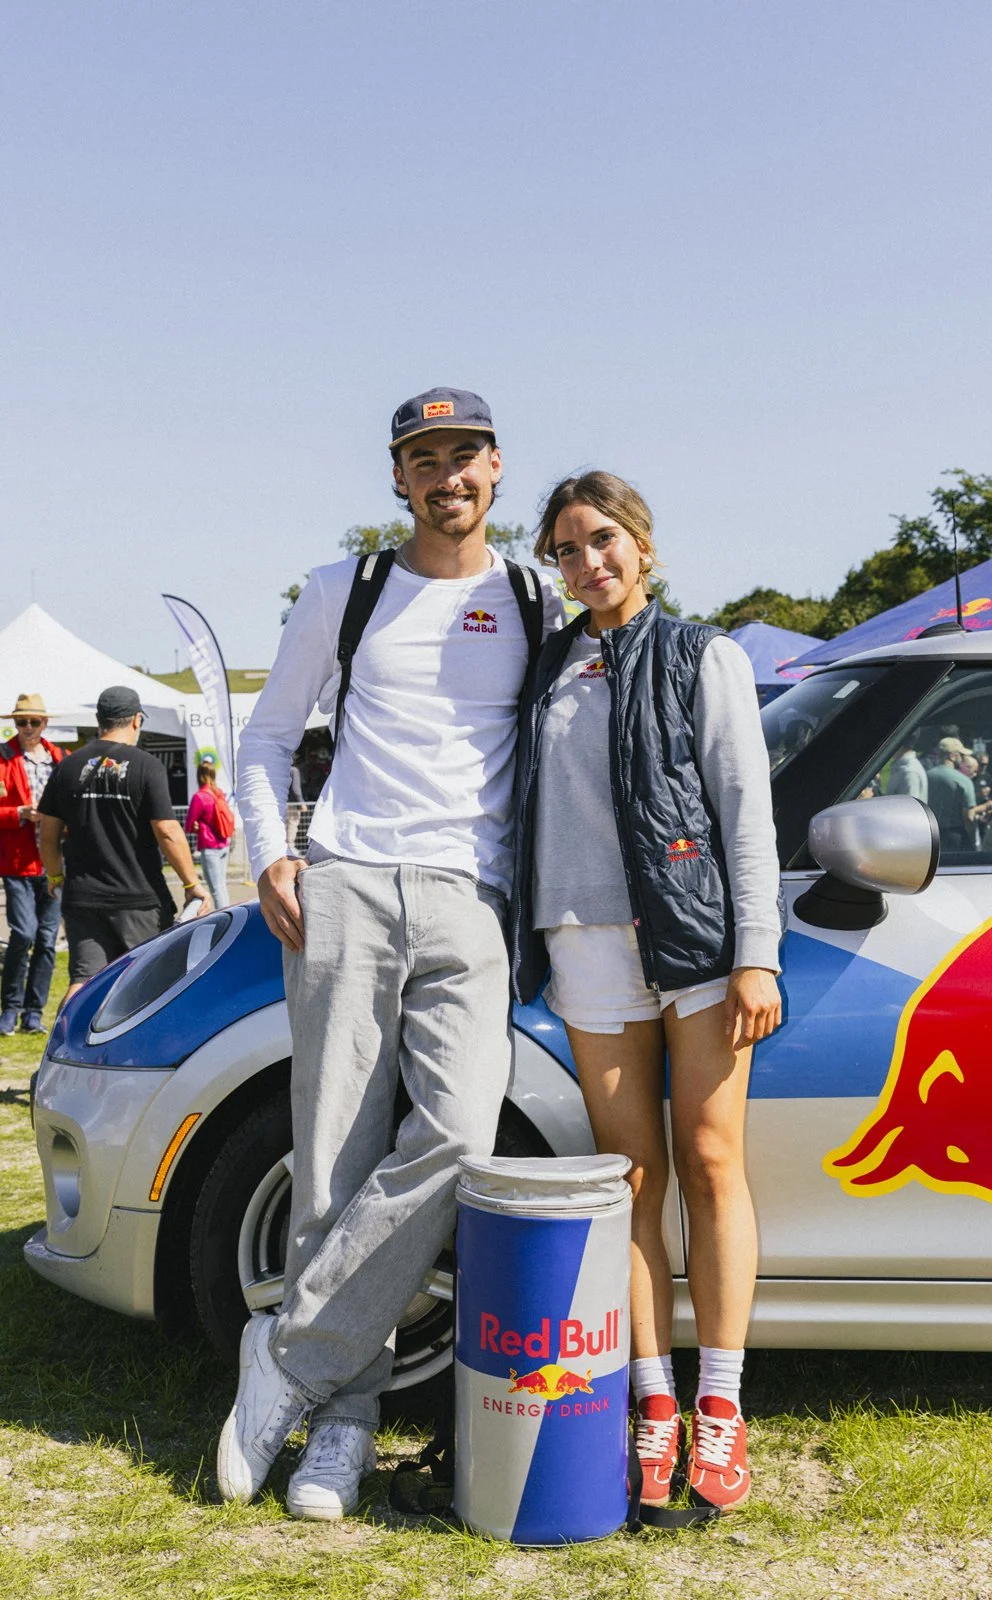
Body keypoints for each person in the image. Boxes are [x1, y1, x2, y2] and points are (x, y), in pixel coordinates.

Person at [219, 388, 563, 1520]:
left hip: (472, 898)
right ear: (398, 477)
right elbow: (266, 736)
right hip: (348, 887)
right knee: (330, 1155)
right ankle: (343, 1430)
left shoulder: (533, 596)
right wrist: (274, 855)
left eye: (464, 455)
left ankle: (288, 1352)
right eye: (424, 458)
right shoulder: (344, 591)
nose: (445, 476)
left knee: (458, 1136)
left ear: (497, 469)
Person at [510, 472, 783, 1514]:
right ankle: (652, 1399)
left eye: (604, 539)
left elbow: (743, 812)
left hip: (698, 942)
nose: (589, 562)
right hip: (583, 943)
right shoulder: (546, 671)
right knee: (628, 1177)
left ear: (644, 547)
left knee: (711, 1162)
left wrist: (754, 951)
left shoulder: (701, 654)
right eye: (568, 549)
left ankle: (721, 1400)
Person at [37, 687, 211, 1005]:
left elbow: (47, 834)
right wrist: (191, 883)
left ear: (99, 721)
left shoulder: (68, 766)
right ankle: (145, 1054)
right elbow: (168, 831)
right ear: (136, 720)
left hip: (83, 896)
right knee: (149, 986)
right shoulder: (147, 766)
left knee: (82, 983)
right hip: (140, 900)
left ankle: (63, 1048)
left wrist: (55, 877)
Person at [0, 694, 65, 1034]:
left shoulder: (60, 758)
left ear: (45, 723)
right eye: (21, 721)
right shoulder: (2, 756)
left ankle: (33, 1013)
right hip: (16, 863)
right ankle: (9, 1007)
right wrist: (18, 814)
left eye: (33, 722)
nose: (27, 728)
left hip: (53, 862)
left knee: (46, 938)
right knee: (23, 933)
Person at [925, 736, 992, 852]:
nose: (963, 759)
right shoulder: (963, 781)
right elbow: (968, 816)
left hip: (930, 835)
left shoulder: (926, 776)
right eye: (961, 755)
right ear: (952, 756)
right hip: (955, 836)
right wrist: (974, 842)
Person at [185, 760, 231, 909]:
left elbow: (189, 824)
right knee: (222, 887)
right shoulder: (219, 793)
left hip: (209, 846)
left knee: (216, 890)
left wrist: (198, 826)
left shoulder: (199, 797)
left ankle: (225, 922)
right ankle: (228, 913)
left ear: (199, 776)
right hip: (224, 843)